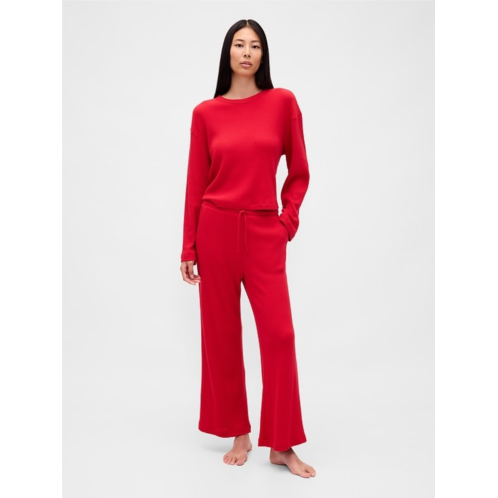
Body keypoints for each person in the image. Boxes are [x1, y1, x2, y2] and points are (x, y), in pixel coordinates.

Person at [179, 19, 316, 479]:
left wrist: (285, 223)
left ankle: (283, 444)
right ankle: (239, 432)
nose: (246, 52)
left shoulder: (282, 103)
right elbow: (195, 183)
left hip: (262, 232)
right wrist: (188, 245)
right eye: (239, 44)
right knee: (221, 335)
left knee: (280, 335)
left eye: (255, 45)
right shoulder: (205, 113)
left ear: (263, 55)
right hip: (215, 228)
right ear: (228, 53)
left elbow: (299, 170)